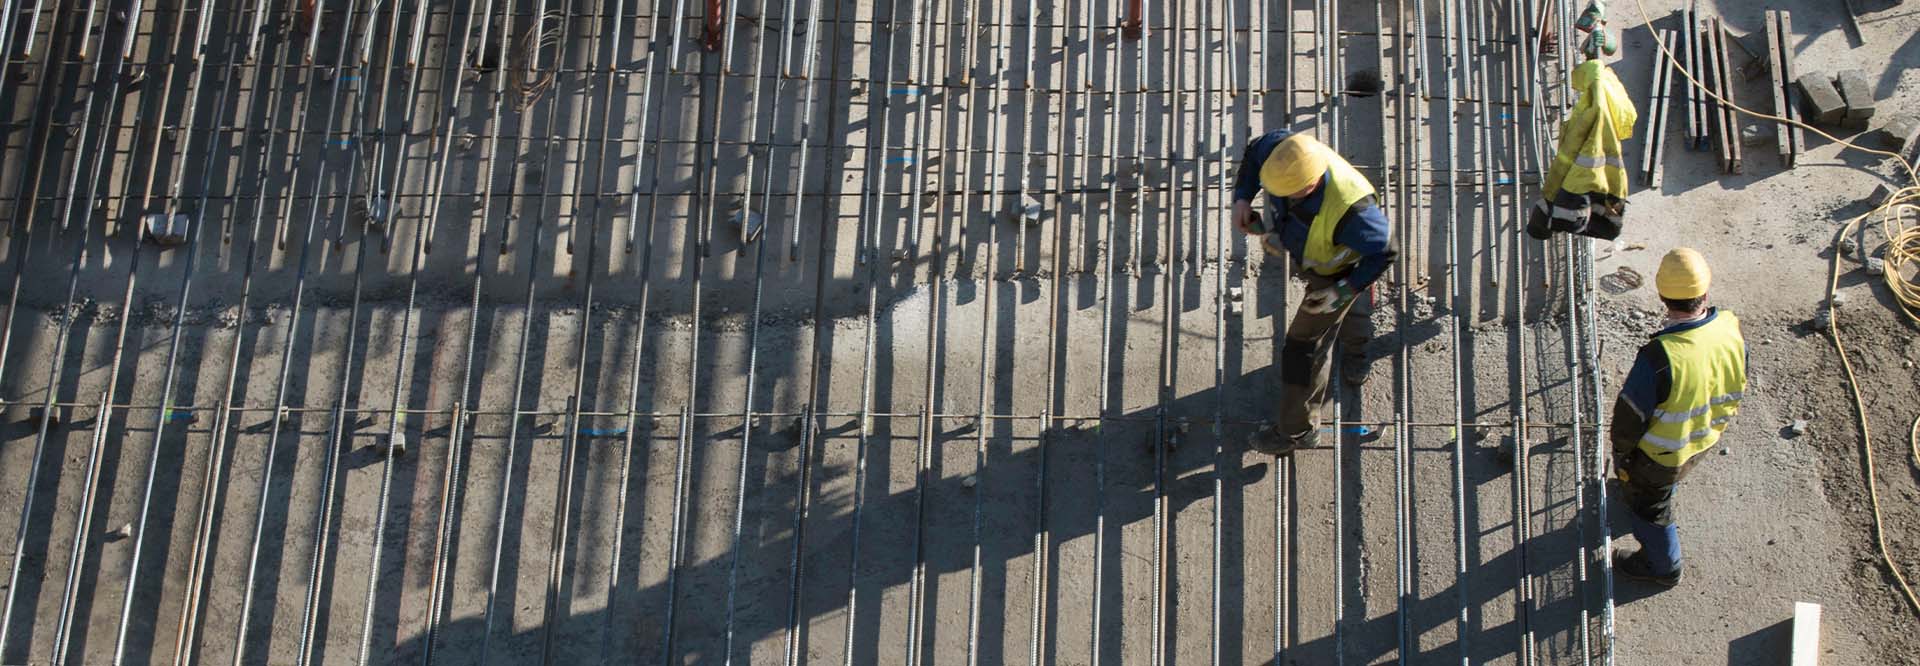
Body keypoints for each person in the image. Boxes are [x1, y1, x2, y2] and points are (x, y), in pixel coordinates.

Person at [1231, 130, 1395, 455]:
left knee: (1301, 351)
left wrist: (1343, 289)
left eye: (1286, 193)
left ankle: (1296, 431)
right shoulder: (1285, 151)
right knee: (1354, 308)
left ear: (1309, 185)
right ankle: (1358, 351)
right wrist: (1243, 198)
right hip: (1319, 256)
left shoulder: (1356, 213)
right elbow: (1253, 154)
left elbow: (1386, 252)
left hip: (1338, 272)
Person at [1609, 248, 1748, 587]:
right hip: (1704, 439)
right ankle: (1646, 491)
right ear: (1705, 291)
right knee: (1659, 485)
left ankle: (1663, 567)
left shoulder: (1661, 357)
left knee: (1651, 510)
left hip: (1661, 455)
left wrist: (1623, 457)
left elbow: (1629, 420)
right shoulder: (1729, 326)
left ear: (1661, 296)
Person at [1528, 57, 1636, 241]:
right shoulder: (1611, 93)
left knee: (1571, 215)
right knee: (1599, 214)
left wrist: (1554, 187)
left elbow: (1572, 148)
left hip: (1582, 178)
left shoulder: (1593, 109)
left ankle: (1548, 225)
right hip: (1611, 179)